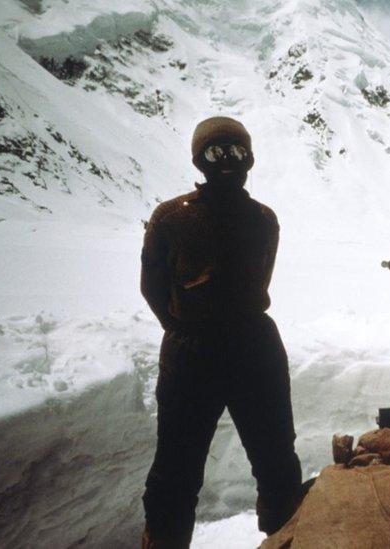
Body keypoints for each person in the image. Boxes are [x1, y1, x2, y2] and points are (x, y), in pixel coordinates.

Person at [139, 116, 303, 548]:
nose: (227, 160)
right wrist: (182, 327)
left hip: (255, 346)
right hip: (192, 351)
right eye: (216, 152)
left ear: (250, 158)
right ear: (199, 159)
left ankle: (283, 539)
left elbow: (259, 279)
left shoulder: (264, 219)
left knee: (277, 462)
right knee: (175, 470)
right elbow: (152, 286)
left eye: (236, 151)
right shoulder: (171, 217)